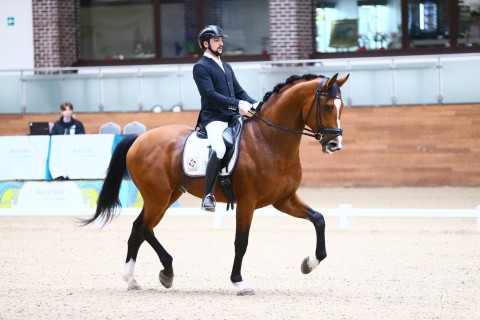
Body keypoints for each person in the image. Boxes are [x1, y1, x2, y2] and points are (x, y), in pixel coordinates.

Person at [193, 25, 258, 212]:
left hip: (232, 116)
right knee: (220, 148)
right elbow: (210, 95)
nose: (221, 43)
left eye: (221, 40)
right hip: (214, 118)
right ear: (206, 44)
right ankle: (208, 195)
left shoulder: (226, 66)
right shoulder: (201, 67)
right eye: (216, 40)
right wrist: (237, 105)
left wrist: (255, 104)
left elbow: (238, 90)